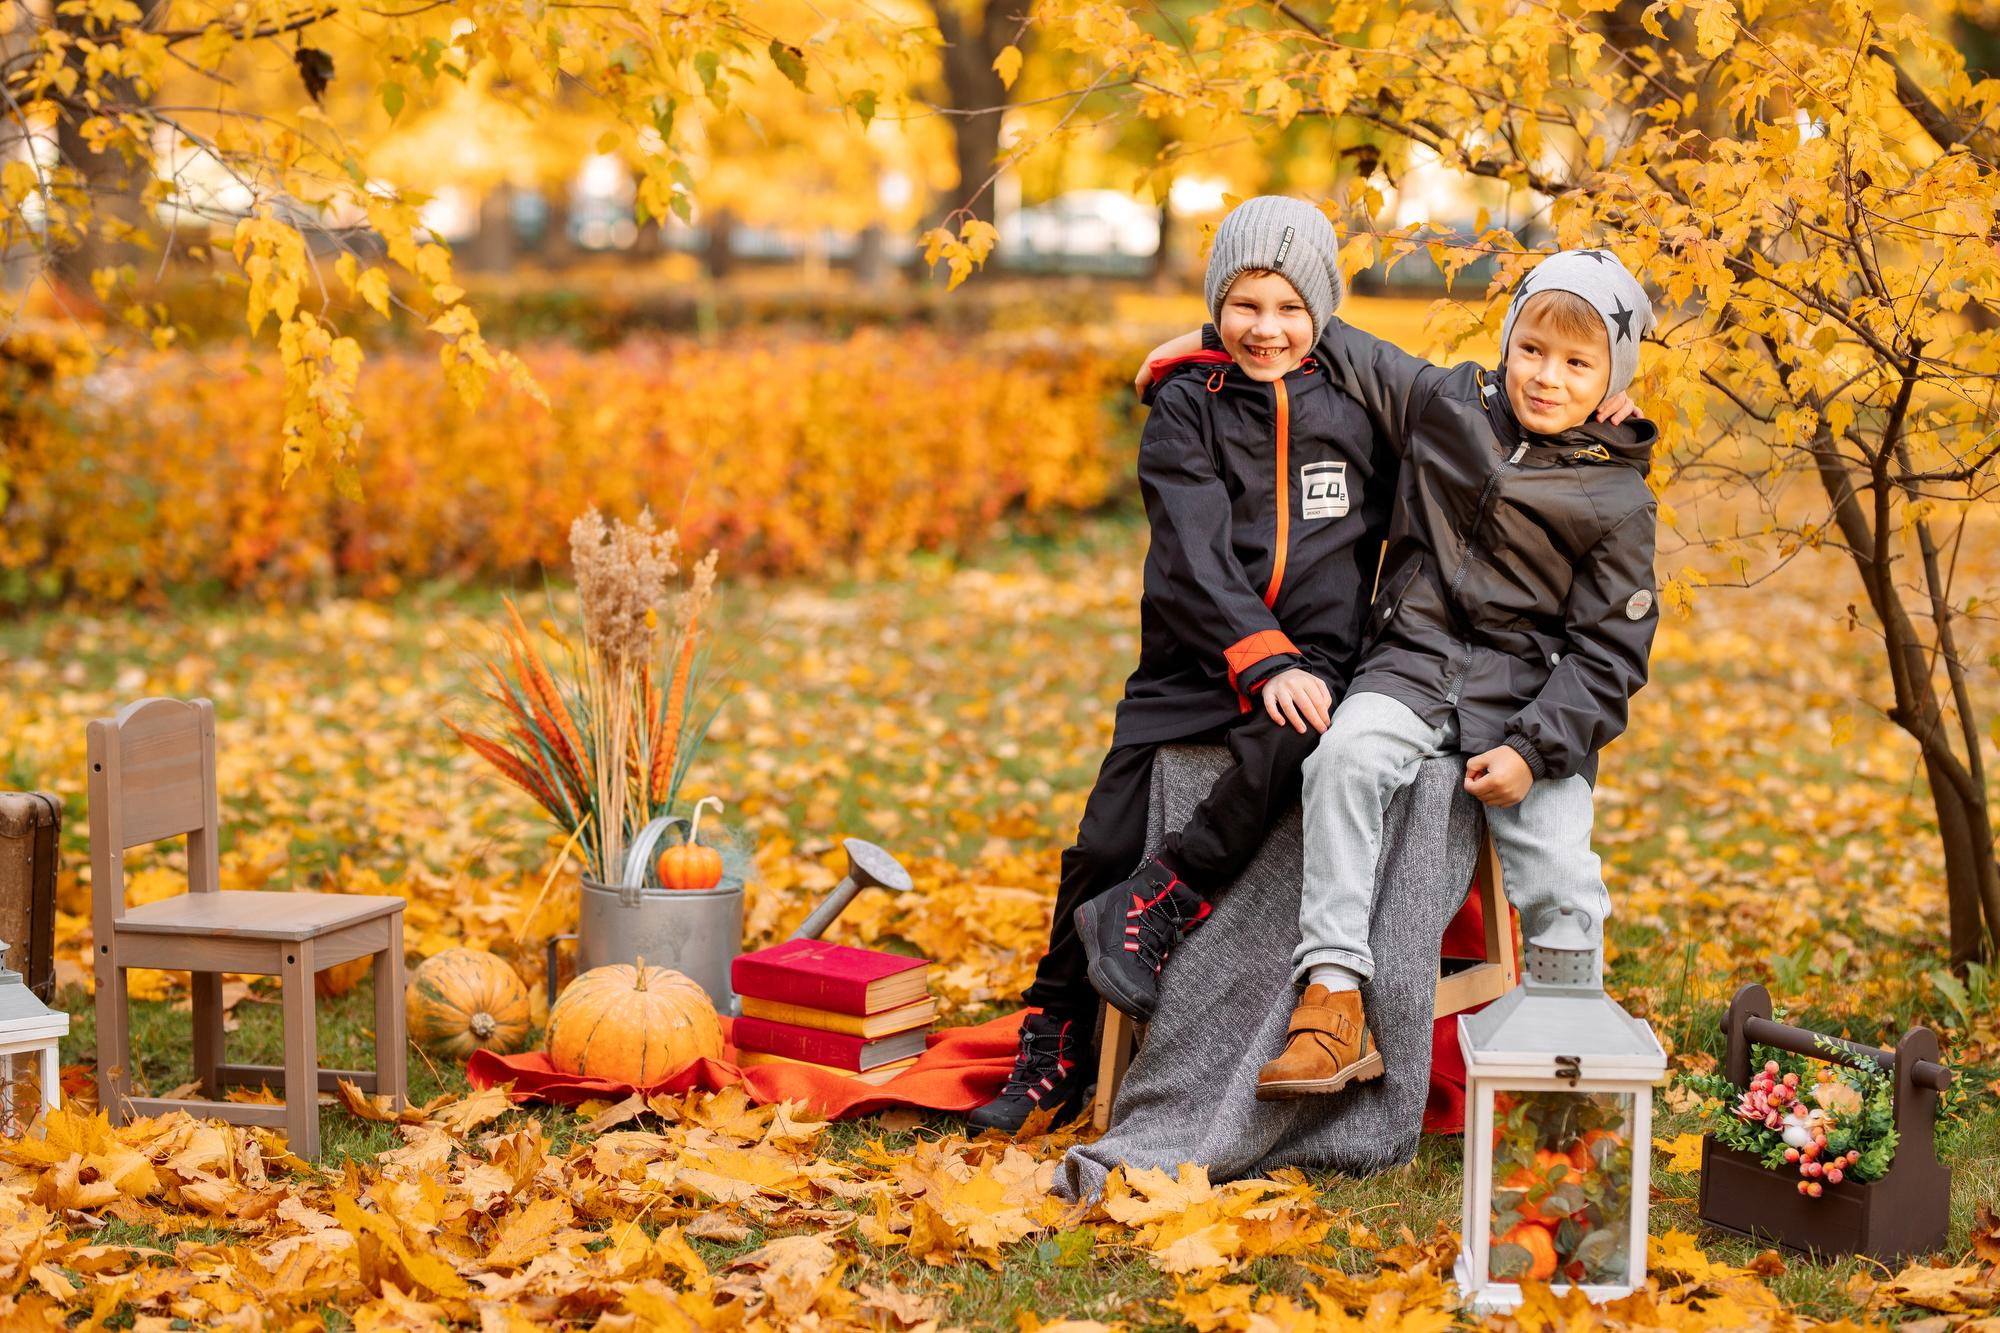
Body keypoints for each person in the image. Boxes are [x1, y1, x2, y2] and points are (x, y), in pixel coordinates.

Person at [968, 196, 1400, 1132]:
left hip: (1318, 659)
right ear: (1216, 305)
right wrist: (1260, 657)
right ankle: (1056, 1039)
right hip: (1195, 654)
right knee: (1101, 839)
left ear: (1322, 312)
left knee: (1297, 734)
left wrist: (1597, 396)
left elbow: (1463, 411)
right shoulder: (1183, 407)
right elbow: (1194, 555)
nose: (1267, 329)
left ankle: (1162, 901)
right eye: (1245, 305)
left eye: (1290, 308)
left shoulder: (1360, 408)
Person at [1251, 249, 1663, 1098]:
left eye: (1579, 364)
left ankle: (1567, 1052)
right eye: (1532, 352)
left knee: (1559, 869)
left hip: (1528, 702)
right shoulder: (1447, 405)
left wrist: (1536, 751)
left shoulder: (1619, 502)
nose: (1547, 378)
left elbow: (1610, 656)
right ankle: (1332, 998)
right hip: (1412, 660)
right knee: (1343, 759)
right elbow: (1328, 336)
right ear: (1507, 342)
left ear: (1613, 378)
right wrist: (1195, 340)